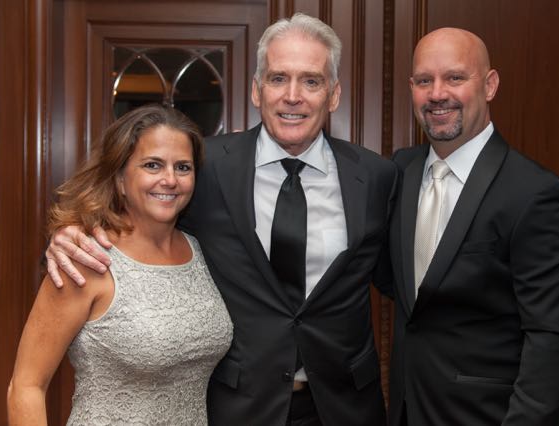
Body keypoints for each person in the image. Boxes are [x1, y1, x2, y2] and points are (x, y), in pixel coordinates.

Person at [44, 13, 396, 426]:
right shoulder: (203, 167)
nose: (293, 96)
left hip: (346, 407)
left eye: (311, 81)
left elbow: (400, 276)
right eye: (278, 78)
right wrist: (71, 233)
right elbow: (131, 212)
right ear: (257, 90)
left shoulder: (375, 176)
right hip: (238, 406)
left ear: (333, 95)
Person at [375, 27, 559, 425]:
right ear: (412, 88)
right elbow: (399, 284)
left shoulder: (537, 194)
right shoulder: (398, 172)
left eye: (455, 77)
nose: (437, 93)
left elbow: (554, 340)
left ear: (490, 85)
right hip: (405, 409)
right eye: (424, 81)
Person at [7, 105, 233, 425]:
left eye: (183, 167)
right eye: (152, 165)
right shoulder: (84, 259)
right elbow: (26, 387)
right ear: (120, 179)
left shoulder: (202, 250)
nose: (170, 179)